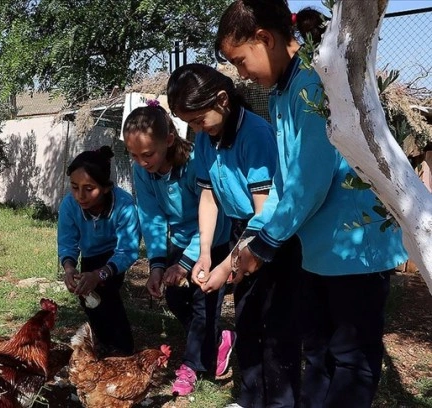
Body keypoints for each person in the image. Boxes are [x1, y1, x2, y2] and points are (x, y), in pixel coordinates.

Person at [215, 2, 408, 407]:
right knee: (318, 355)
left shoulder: (313, 84)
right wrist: (245, 245)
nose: (241, 74)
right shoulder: (284, 94)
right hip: (319, 252)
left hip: (355, 248)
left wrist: (262, 248)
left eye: (240, 60)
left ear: (265, 39)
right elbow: (286, 186)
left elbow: (311, 179)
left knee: (351, 360)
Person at [167, 63, 302, 408]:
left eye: (198, 120)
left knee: (278, 327)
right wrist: (206, 253)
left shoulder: (255, 135)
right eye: (189, 123)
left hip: (272, 236)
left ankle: (281, 401)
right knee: (248, 320)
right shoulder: (206, 140)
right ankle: (251, 397)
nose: (195, 128)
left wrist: (227, 266)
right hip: (241, 234)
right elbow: (209, 196)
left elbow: (264, 211)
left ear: (222, 100)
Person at [122, 101, 233, 396]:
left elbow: (213, 215)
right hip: (181, 242)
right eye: (133, 155)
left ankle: (192, 366)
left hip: (213, 241)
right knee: (174, 298)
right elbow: (152, 218)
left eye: (147, 154)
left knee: (203, 306)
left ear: (169, 139)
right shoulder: (143, 172)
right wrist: (158, 265)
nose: (142, 162)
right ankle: (219, 338)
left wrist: (185, 264)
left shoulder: (196, 163)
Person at [58, 145, 139, 357]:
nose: (80, 196)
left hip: (114, 257)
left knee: (107, 294)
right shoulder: (69, 205)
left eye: (89, 188)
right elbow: (67, 242)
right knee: (87, 298)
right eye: (75, 187)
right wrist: (69, 269)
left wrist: (100, 274)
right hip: (90, 255)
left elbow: (128, 250)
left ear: (105, 188)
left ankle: (124, 349)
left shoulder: (124, 205)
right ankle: (102, 343)